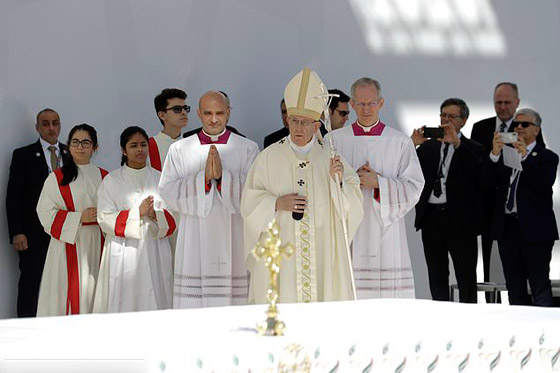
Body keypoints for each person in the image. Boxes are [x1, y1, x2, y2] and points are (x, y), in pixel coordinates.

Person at [242, 68, 364, 304]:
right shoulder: (267, 157)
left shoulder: (332, 157)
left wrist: (337, 182)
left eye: (305, 122)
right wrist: (276, 203)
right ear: (287, 120)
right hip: (282, 248)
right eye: (294, 121)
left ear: (317, 126)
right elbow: (249, 203)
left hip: (322, 249)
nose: (298, 128)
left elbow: (354, 206)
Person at [159, 90, 259, 308]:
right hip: (194, 235)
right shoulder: (179, 150)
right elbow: (166, 192)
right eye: (208, 113)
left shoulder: (247, 148)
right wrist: (202, 180)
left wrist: (224, 178)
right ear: (198, 114)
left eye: (220, 113)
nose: (214, 119)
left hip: (234, 234)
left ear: (229, 113)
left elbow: (256, 193)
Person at [326, 77, 424, 299]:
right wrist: (345, 179)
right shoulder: (334, 140)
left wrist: (378, 183)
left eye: (371, 103)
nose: (366, 109)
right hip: (349, 227)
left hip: (386, 231)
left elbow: (414, 187)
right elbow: (322, 184)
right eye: (360, 104)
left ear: (381, 103)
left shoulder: (399, 142)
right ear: (352, 105)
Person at [471, 82, 545, 289]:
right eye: (498, 102)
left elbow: (540, 160)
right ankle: (492, 307)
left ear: (517, 102)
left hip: (520, 209)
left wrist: (522, 150)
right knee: (489, 270)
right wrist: (493, 153)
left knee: (526, 273)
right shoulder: (481, 128)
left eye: (507, 102)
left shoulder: (527, 127)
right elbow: (478, 169)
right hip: (489, 210)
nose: (503, 107)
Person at [94, 126, 175, 312]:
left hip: (155, 248)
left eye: (143, 145)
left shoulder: (160, 178)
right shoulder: (112, 180)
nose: (140, 150)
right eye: (133, 145)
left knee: (158, 294)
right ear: (123, 150)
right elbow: (103, 217)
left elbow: (174, 214)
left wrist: (156, 214)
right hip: (124, 249)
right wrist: (136, 213)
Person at [412, 99, 485, 303]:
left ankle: (469, 314)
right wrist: (412, 145)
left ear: (463, 120)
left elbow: (480, 175)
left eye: (451, 117)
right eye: (443, 116)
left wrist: (458, 144)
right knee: (436, 273)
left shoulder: (473, 148)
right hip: (432, 219)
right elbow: (407, 170)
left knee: (466, 275)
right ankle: (441, 314)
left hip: (461, 221)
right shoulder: (428, 148)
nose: (446, 120)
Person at [483, 108, 558, 306]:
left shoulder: (546, 157)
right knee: (514, 287)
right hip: (508, 228)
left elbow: (542, 185)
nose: (519, 128)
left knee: (539, 284)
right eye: (516, 124)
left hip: (535, 231)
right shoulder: (506, 155)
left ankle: (545, 332)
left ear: (537, 130)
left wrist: (525, 157)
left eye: (525, 124)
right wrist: (494, 154)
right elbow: (486, 183)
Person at [36, 124, 108, 316]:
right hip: (68, 243)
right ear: (68, 146)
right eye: (75, 142)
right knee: (66, 291)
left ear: (95, 147)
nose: (80, 147)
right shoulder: (57, 177)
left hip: (97, 241)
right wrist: (79, 218)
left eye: (86, 142)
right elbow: (45, 212)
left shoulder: (104, 176)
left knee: (95, 291)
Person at [6, 108, 68, 317]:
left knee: (62, 282)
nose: (51, 128)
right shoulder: (23, 155)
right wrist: (17, 231)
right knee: (32, 283)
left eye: (55, 123)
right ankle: (25, 325)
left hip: (64, 232)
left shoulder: (71, 154)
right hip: (33, 234)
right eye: (45, 123)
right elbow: (13, 196)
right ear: (37, 127)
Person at [148, 88, 189, 172]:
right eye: (177, 109)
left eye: (185, 108)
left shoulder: (193, 145)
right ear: (162, 115)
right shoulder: (148, 147)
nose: (184, 112)